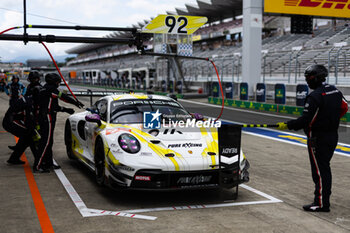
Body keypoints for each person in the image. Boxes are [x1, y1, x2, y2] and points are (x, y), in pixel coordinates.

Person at [277, 64, 348, 212]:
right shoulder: (334, 90)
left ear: (316, 77)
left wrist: (288, 125)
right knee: (324, 168)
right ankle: (322, 200)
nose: (307, 80)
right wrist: (330, 119)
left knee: (320, 171)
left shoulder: (315, 96)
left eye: (309, 77)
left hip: (318, 138)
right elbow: (344, 107)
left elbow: (305, 120)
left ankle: (321, 203)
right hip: (332, 135)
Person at [33, 73, 84, 172]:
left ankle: (48, 163)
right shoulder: (50, 89)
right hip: (47, 117)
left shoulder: (46, 88)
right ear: (53, 82)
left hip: (47, 116)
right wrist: (75, 102)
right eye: (57, 81)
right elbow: (63, 96)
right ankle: (37, 166)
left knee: (49, 141)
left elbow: (54, 106)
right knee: (45, 142)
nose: (58, 83)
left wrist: (66, 109)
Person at [8, 71, 43, 151]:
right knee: (27, 131)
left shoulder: (39, 88)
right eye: (32, 79)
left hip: (35, 112)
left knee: (35, 131)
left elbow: (39, 102)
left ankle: (38, 146)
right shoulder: (30, 86)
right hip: (29, 111)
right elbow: (26, 97)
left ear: (38, 79)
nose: (33, 80)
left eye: (35, 79)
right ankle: (19, 147)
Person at [2, 95, 38, 165]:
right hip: (10, 121)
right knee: (30, 136)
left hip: (11, 120)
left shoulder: (29, 99)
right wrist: (34, 131)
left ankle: (13, 159)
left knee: (26, 139)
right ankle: (38, 160)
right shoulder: (29, 103)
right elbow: (29, 121)